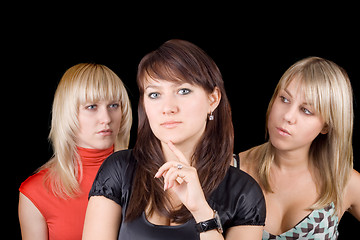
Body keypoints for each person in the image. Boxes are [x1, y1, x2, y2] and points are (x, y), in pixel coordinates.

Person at [82, 39, 266, 240]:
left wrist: (201, 212)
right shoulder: (119, 170)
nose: (167, 107)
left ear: (212, 100)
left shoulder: (244, 193)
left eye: (183, 91)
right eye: (154, 94)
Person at [235, 57, 360, 239]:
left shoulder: (344, 182)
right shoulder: (230, 170)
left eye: (306, 110)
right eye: (284, 99)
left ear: (327, 125)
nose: (288, 116)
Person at [18, 63, 133, 240]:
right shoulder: (36, 192)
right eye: (92, 107)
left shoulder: (148, 175)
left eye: (113, 105)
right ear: (68, 113)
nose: (106, 118)